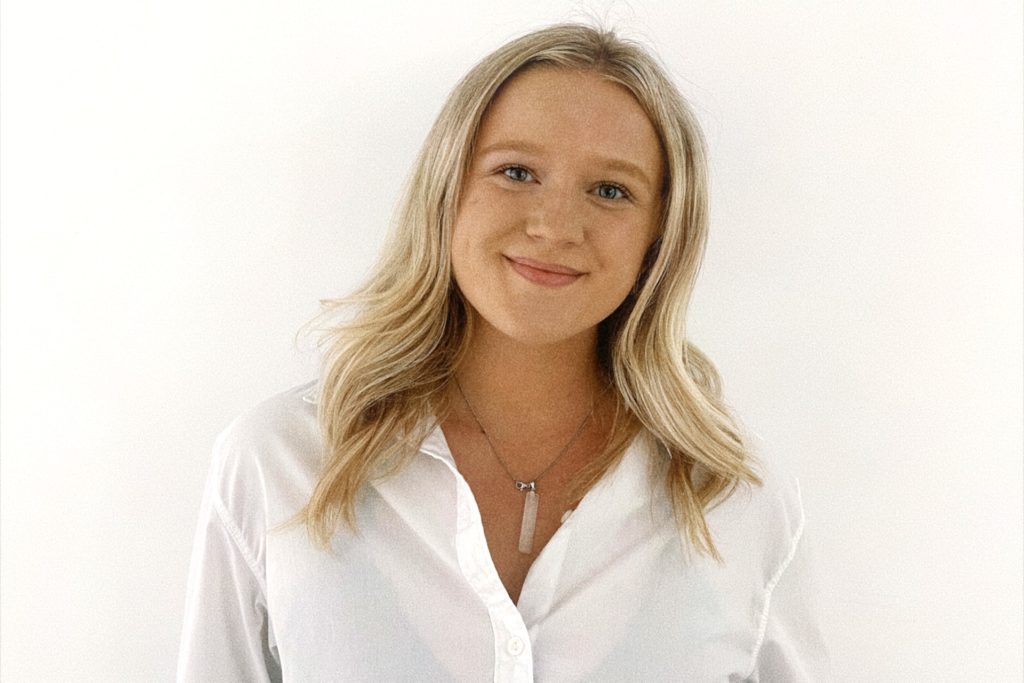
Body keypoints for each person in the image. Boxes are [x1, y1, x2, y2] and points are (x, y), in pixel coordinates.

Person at [177, 23, 831, 682]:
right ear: (448, 186)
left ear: (659, 234)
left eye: (610, 190)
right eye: (516, 172)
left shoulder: (740, 504)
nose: (553, 225)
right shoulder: (277, 465)